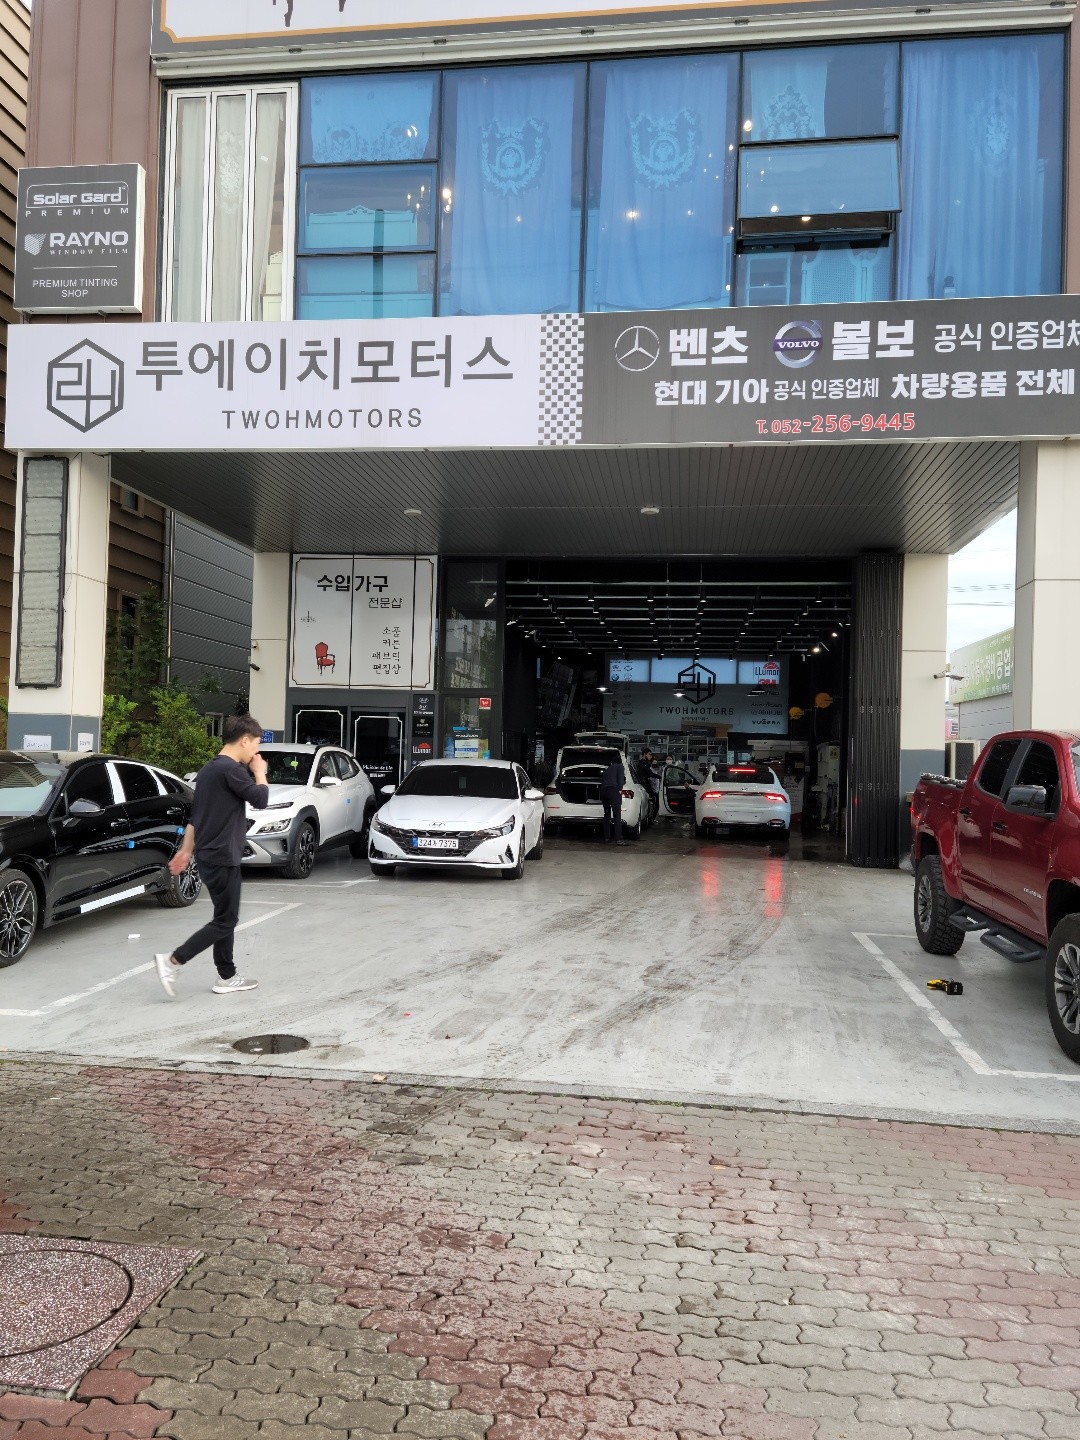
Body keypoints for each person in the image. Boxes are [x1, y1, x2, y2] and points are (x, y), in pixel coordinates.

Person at [154, 714, 269, 998]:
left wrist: (186, 851)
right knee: (226, 920)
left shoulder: (208, 770)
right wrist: (260, 771)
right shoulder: (231, 770)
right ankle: (173, 960)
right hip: (223, 855)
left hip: (209, 854)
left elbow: (196, 818)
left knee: (223, 917)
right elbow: (261, 799)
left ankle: (226, 976)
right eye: (256, 743)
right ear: (244, 740)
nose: (257, 750)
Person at [600, 755, 627, 845]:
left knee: (607, 815)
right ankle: (619, 839)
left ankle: (607, 838)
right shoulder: (620, 766)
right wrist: (620, 789)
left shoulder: (607, 769)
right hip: (613, 791)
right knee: (617, 815)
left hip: (604, 792)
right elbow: (620, 779)